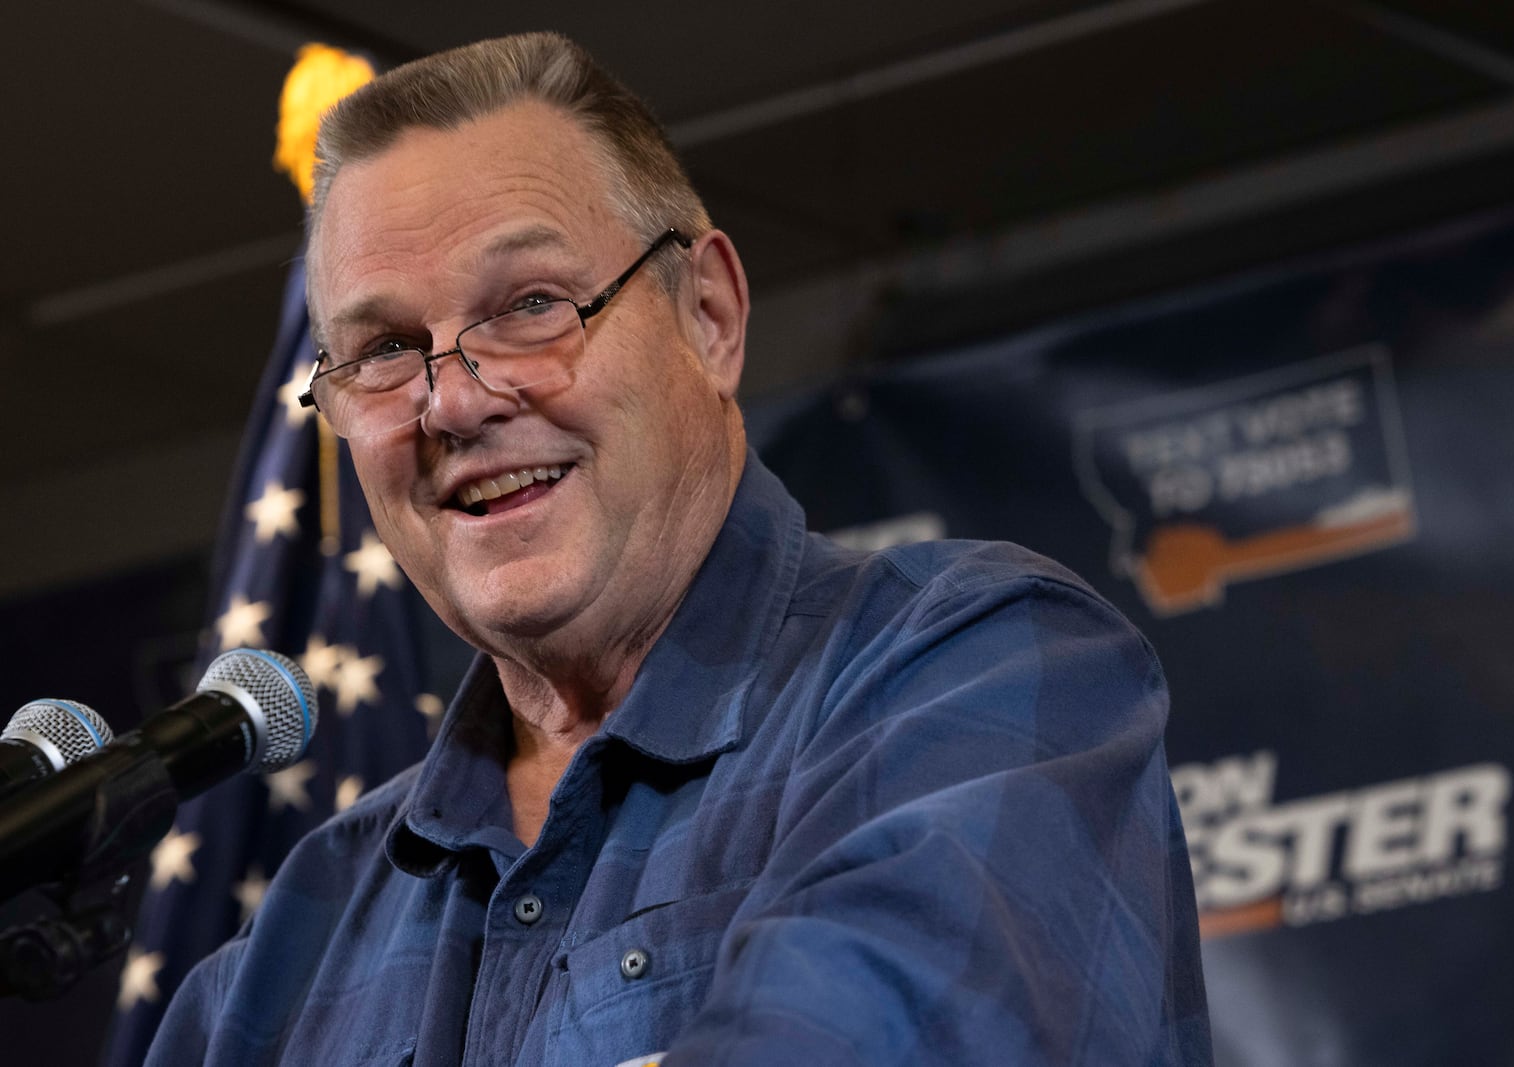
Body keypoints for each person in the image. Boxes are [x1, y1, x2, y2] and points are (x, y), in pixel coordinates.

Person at [147, 31, 1211, 1066]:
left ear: (707, 315)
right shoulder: (281, 955)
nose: (454, 399)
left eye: (530, 305)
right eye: (383, 350)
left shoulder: (985, 667)